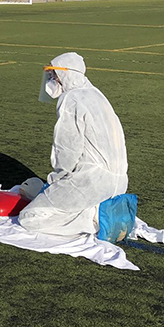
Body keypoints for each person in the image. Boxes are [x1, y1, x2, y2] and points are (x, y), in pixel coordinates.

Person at [19, 52, 129, 237]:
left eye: (54, 75)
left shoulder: (71, 99)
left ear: (66, 75)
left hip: (92, 181)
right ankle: (96, 208)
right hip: (119, 182)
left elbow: (68, 149)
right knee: (45, 196)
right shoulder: (96, 94)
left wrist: (56, 181)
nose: (51, 79)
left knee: (30, 217)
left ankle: (91, 216)